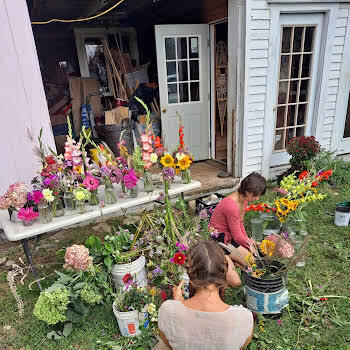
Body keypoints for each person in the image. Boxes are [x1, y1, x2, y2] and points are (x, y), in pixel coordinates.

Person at [154, 240, 253, 350]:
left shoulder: (168, 310)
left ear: (189, 273)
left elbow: (170, 345)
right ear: (225, 272)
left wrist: (177, 304)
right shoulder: (244, 317)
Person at [209, 172, 266, 269]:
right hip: (220, 238)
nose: (257, 198)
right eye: (256, 195)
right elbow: (237, 236)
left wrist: (250, 242)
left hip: (230, 235)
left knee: (256, 257)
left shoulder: (243, 200)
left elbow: (240, 224)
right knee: (253, 263)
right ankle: (224, 258)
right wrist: (249, 245)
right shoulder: (232, 206)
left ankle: (233, 261)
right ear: (248, 192)